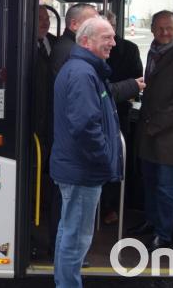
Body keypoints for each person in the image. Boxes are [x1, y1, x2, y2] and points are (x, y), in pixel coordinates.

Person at [51, 16, 122, 288]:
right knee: (77, 238)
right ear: (85, 41)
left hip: (78, 168)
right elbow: (85, 126)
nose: (113, 43)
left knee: (68, 232)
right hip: (83, 170)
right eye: (107, 38)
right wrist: (105, 158)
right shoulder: (82, 73)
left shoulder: (83, 69)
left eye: (113, 37)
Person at [129, 10, 173, 251]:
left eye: (169, 28)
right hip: (149, 131)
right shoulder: (153, 50)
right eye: (159, 28)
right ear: (152, 29)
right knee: (149, 182)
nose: (164, 32)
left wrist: (154, 125)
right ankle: (151, 221)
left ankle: (164, 234)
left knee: (166, 188)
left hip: (170, 136)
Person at [99, 10, 144, 225]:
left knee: (116, 159)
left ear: (115, 27)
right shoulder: (87, 50)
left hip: (119, 112)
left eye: (109, 28)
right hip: (96, 113)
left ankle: (109, 206)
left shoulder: (130, 49)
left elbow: (138, 82)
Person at [32, 5, 60, 259]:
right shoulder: (17, 42)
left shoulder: (57, 44)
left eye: (46, 18)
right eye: (38, 18)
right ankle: (31, 231)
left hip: (54, 127)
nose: (43, 22)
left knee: (51, 182)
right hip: (29, 128)